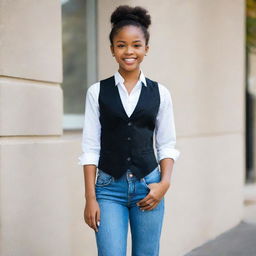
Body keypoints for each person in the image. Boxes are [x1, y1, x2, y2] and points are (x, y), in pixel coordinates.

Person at [78, 5, 180, 256]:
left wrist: (164, 184)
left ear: (146, 48)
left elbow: (166, 144)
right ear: (112, 50)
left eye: (136, 44)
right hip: (108, 189)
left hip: (149, 187)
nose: (129, 51)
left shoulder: (160, 93)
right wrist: (90, 198)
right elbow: (91, 148)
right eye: (121, 45)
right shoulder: (97, 92)